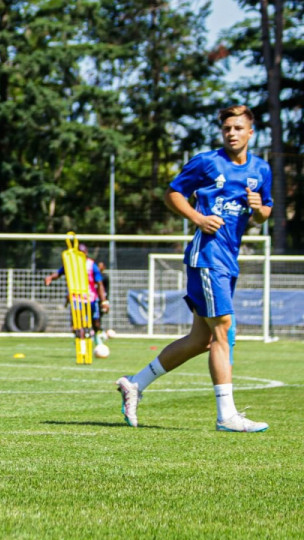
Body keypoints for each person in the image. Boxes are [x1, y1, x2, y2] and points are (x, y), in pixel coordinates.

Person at [117, 105, 272, 432]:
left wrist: (259, 210)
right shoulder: (207, 162)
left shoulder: (261, 169)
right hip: (207, 256)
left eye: (238, 128)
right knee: (224, 328)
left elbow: (266, 211)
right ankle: (226, 416)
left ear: (250, 132)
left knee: (201, 339)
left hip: (229, 259)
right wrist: (198, 218)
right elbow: (172, 193)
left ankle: (135, 383)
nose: (232, 133)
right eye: (227, 128)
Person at [43, 244, 109, 345]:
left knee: (96, 322)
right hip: (76, 297)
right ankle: (81, 343)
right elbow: (59, 273)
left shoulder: (91, 265)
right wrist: (51, 277)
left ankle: (96, 335)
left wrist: (104, 301)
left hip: (91, 297)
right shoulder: (70, 265)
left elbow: (99, 284)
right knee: (77, 323)